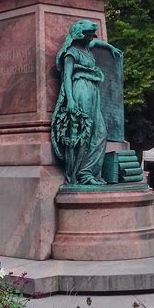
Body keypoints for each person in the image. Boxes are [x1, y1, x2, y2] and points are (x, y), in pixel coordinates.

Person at [51, 20, 122, 185]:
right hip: (80, 89)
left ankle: (88, 171)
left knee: (100, 132)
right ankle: (82, 174)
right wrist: (70, 100)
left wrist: (109, 47)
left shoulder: (87, 48)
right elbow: (67, 77)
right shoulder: (72, 52)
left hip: (93, 90)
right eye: (88, 35)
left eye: (92, 34)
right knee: (84, 132)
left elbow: (96, 42)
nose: (91, 38)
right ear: (79, 35)